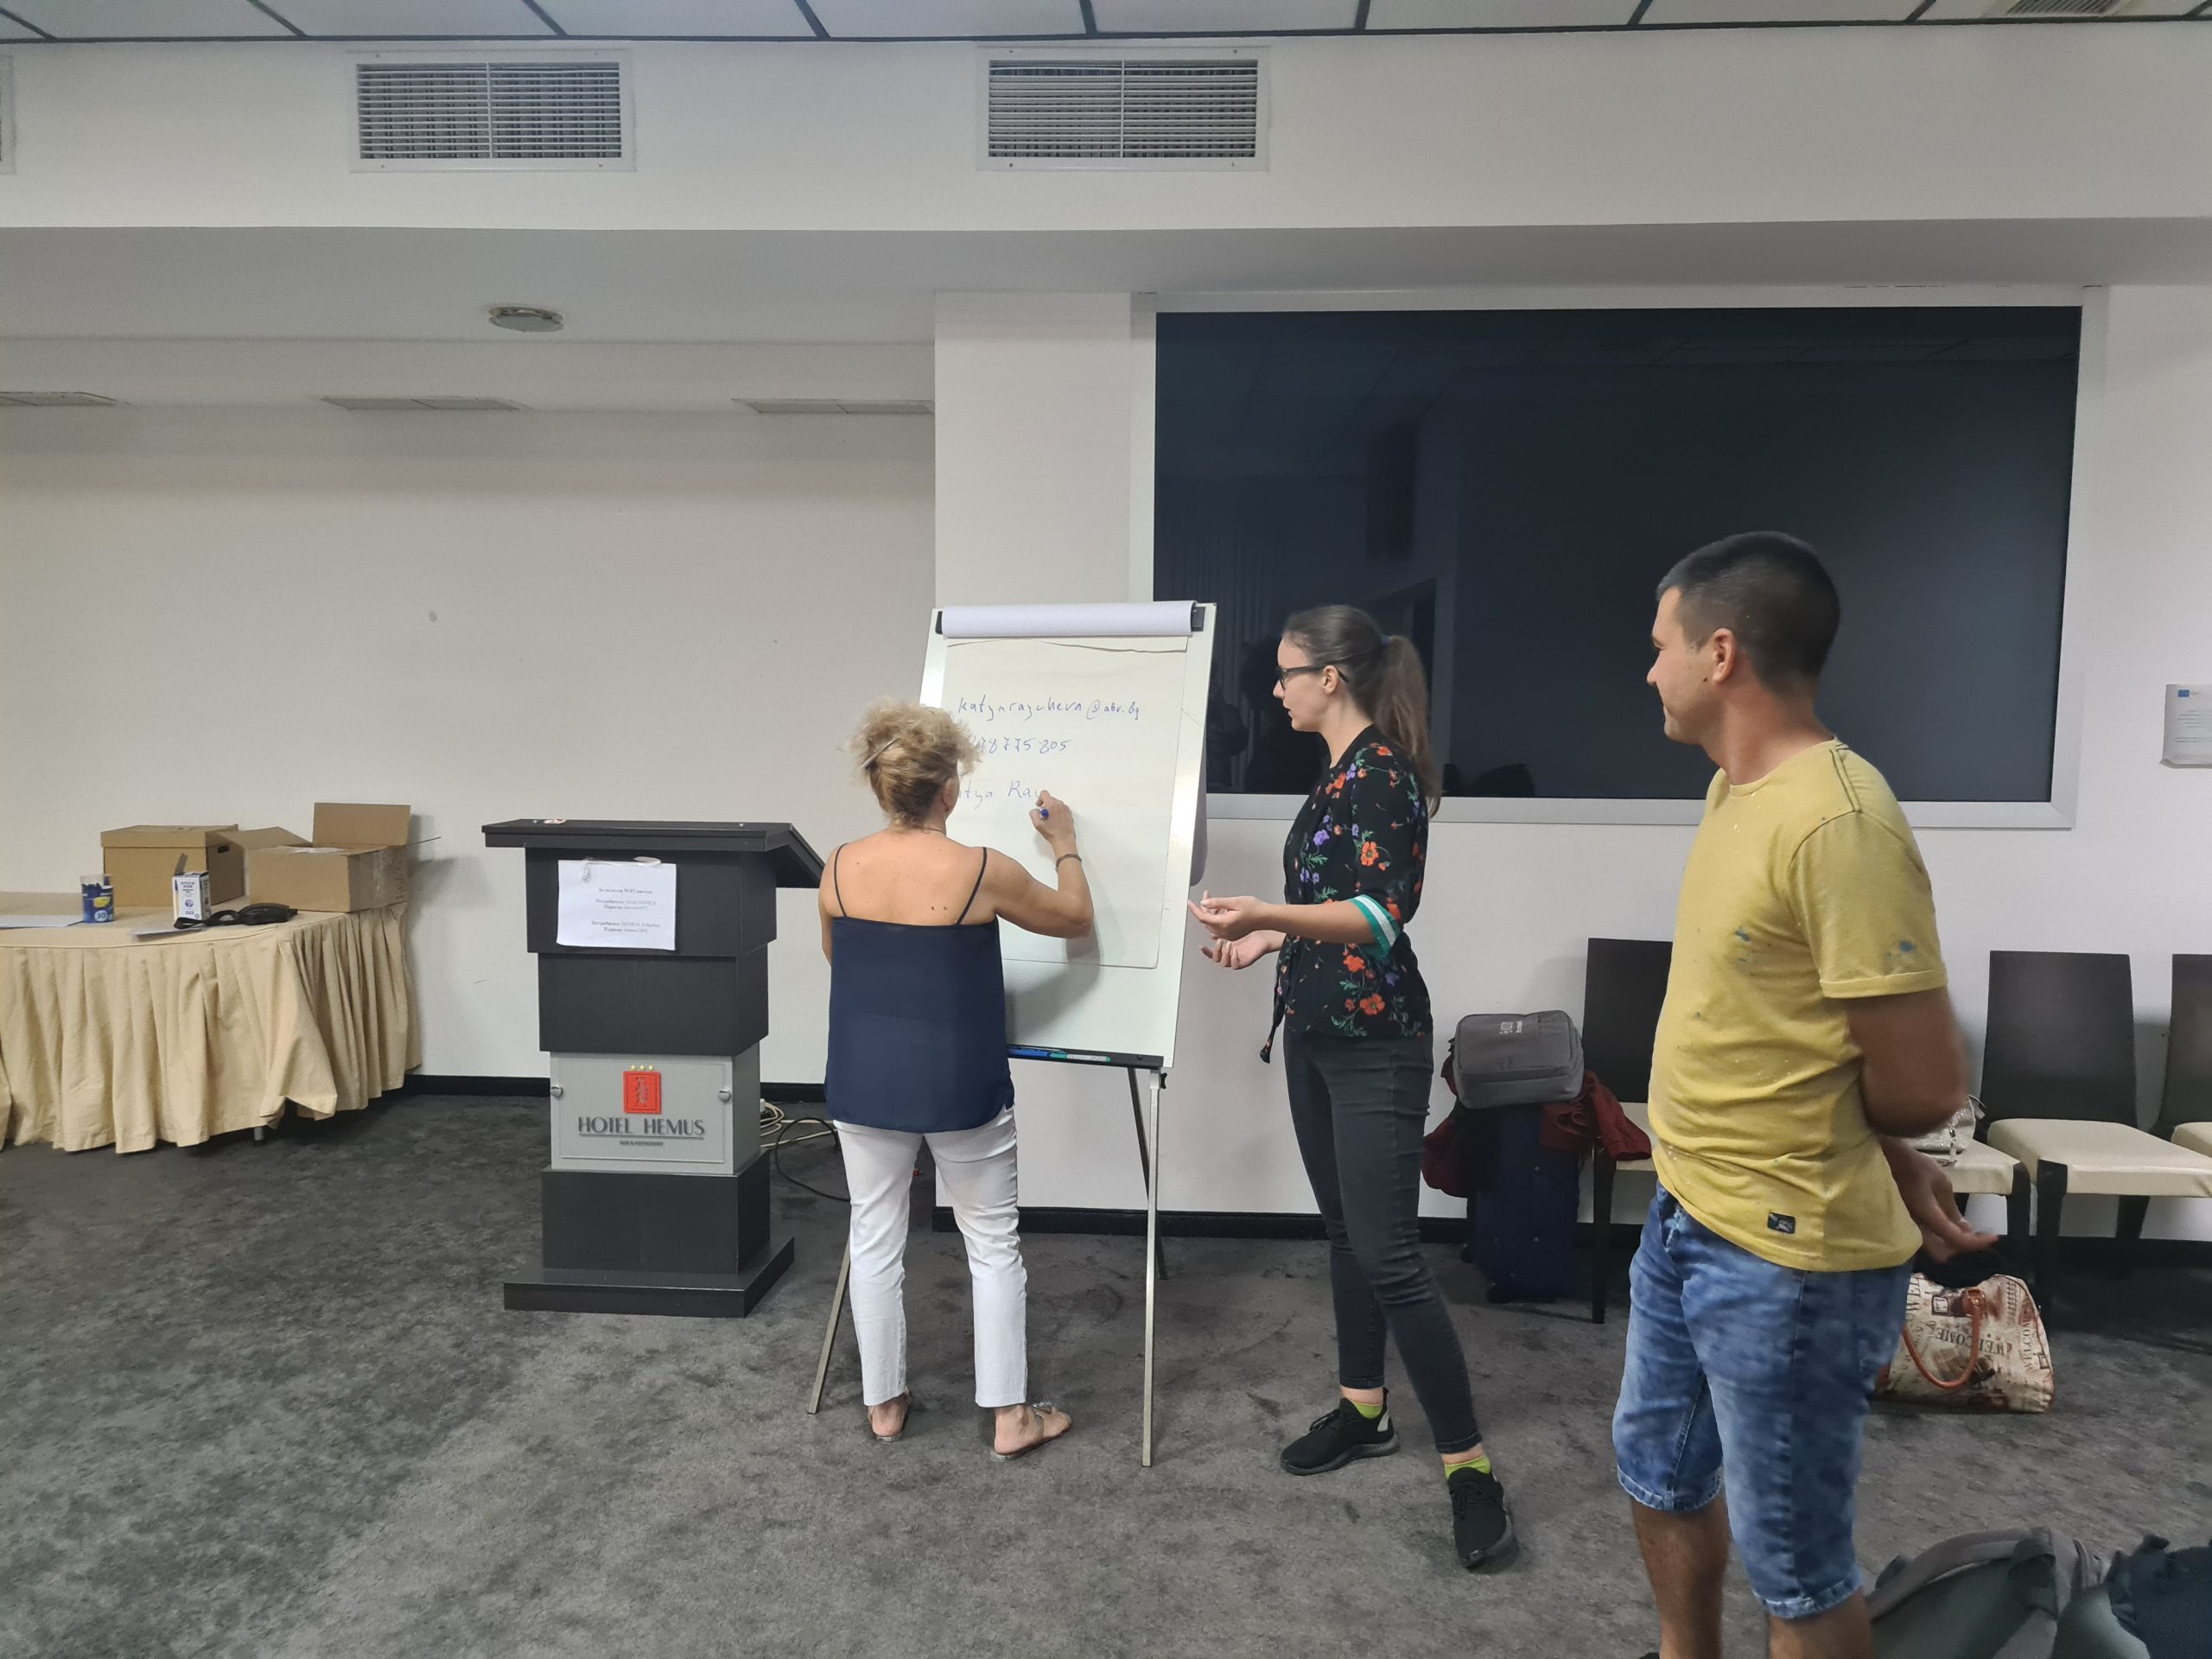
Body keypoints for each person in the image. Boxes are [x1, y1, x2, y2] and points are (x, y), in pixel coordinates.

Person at [1618, 533, 1998, 1659]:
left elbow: (1927, 1084)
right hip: (1689, 1211)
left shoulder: (1841, 823)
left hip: (1787, 1261)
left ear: (1719, 653)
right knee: (1656, 1472)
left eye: (1661, 645)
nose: (1649, 669)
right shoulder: (1735, 791)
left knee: (1797, 1566)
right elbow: (1795, 1034)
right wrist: (1882, 1151)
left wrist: (1879, 1145)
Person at [1189, 605, 1516, 1572]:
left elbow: (1378, 915)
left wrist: (1267, 910)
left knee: (1392, 1257)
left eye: (1286, 673)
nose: (1274, 690)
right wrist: (1268, 936)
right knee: (1345, 1235)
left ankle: (1469, 1467)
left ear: (1330, 677)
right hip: (1315, 1034)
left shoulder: (1381, 775)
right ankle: (1365, 1409)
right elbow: (1334, 905)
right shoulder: (1337, 775)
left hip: (1375, 1044)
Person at [819, 701, 1095, 1459]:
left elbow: (843, 959)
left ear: (880, 788)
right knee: (992, 1244)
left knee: (874, 1236)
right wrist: (1065, 844)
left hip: (864, 1080)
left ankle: (884, 1405)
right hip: (959, 1084)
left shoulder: (838, 866)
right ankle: (1011, 1418)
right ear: (949, 790)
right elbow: (1075, 918)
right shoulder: (980, 869)